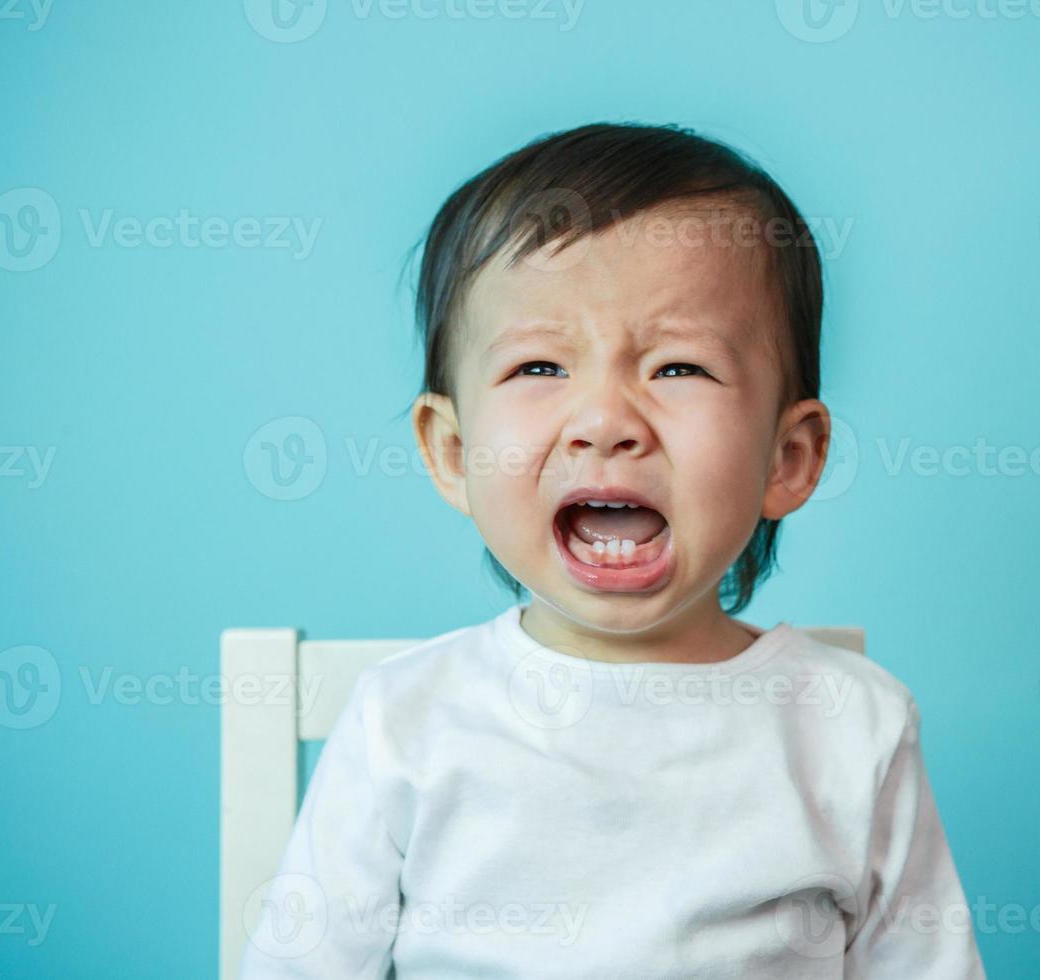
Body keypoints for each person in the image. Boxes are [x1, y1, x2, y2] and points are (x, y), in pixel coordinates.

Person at [241, 122, 986, 978]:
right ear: (452, 451)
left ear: (788, 459)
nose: (605, 422)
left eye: (678, 368)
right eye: (538, 368)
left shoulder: (853, 727)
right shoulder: (402, 725)